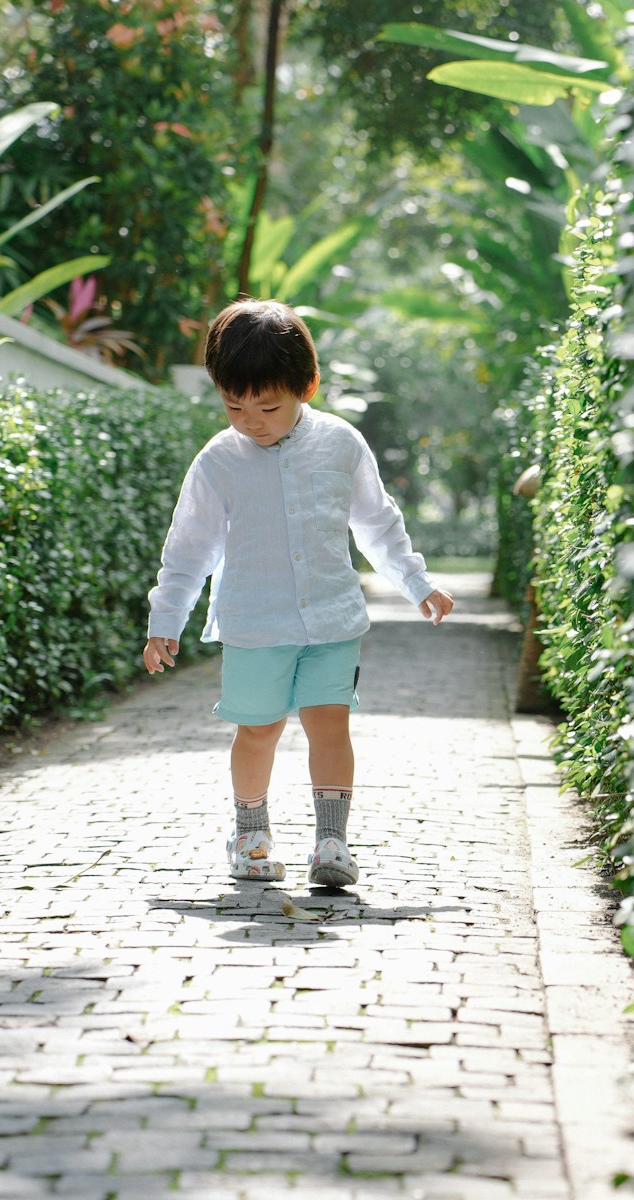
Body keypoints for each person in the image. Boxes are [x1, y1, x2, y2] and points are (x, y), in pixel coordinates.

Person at [141, 299, 454, 888]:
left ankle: (331, 843)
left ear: (307, 386)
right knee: (257, 729)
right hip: (254, 625)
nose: (251, 421)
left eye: (268, 406)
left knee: (330, 724)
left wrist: (418, 582)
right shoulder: (218, 461)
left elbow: (377, 524)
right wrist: (166, 619)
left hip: (333, 621)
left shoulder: (341, 444)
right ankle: (250, 835)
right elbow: (189, 548)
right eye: (234, 405)